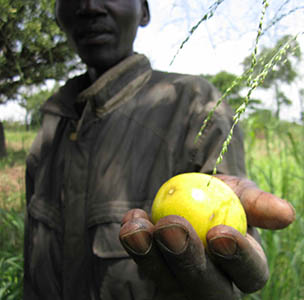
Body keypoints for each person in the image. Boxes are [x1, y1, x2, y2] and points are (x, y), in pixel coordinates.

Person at [23, 0, 296, 299]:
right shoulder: (54, 117)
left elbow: (221, 234)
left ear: (144, 11)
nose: (89, 7)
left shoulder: (195, 105)